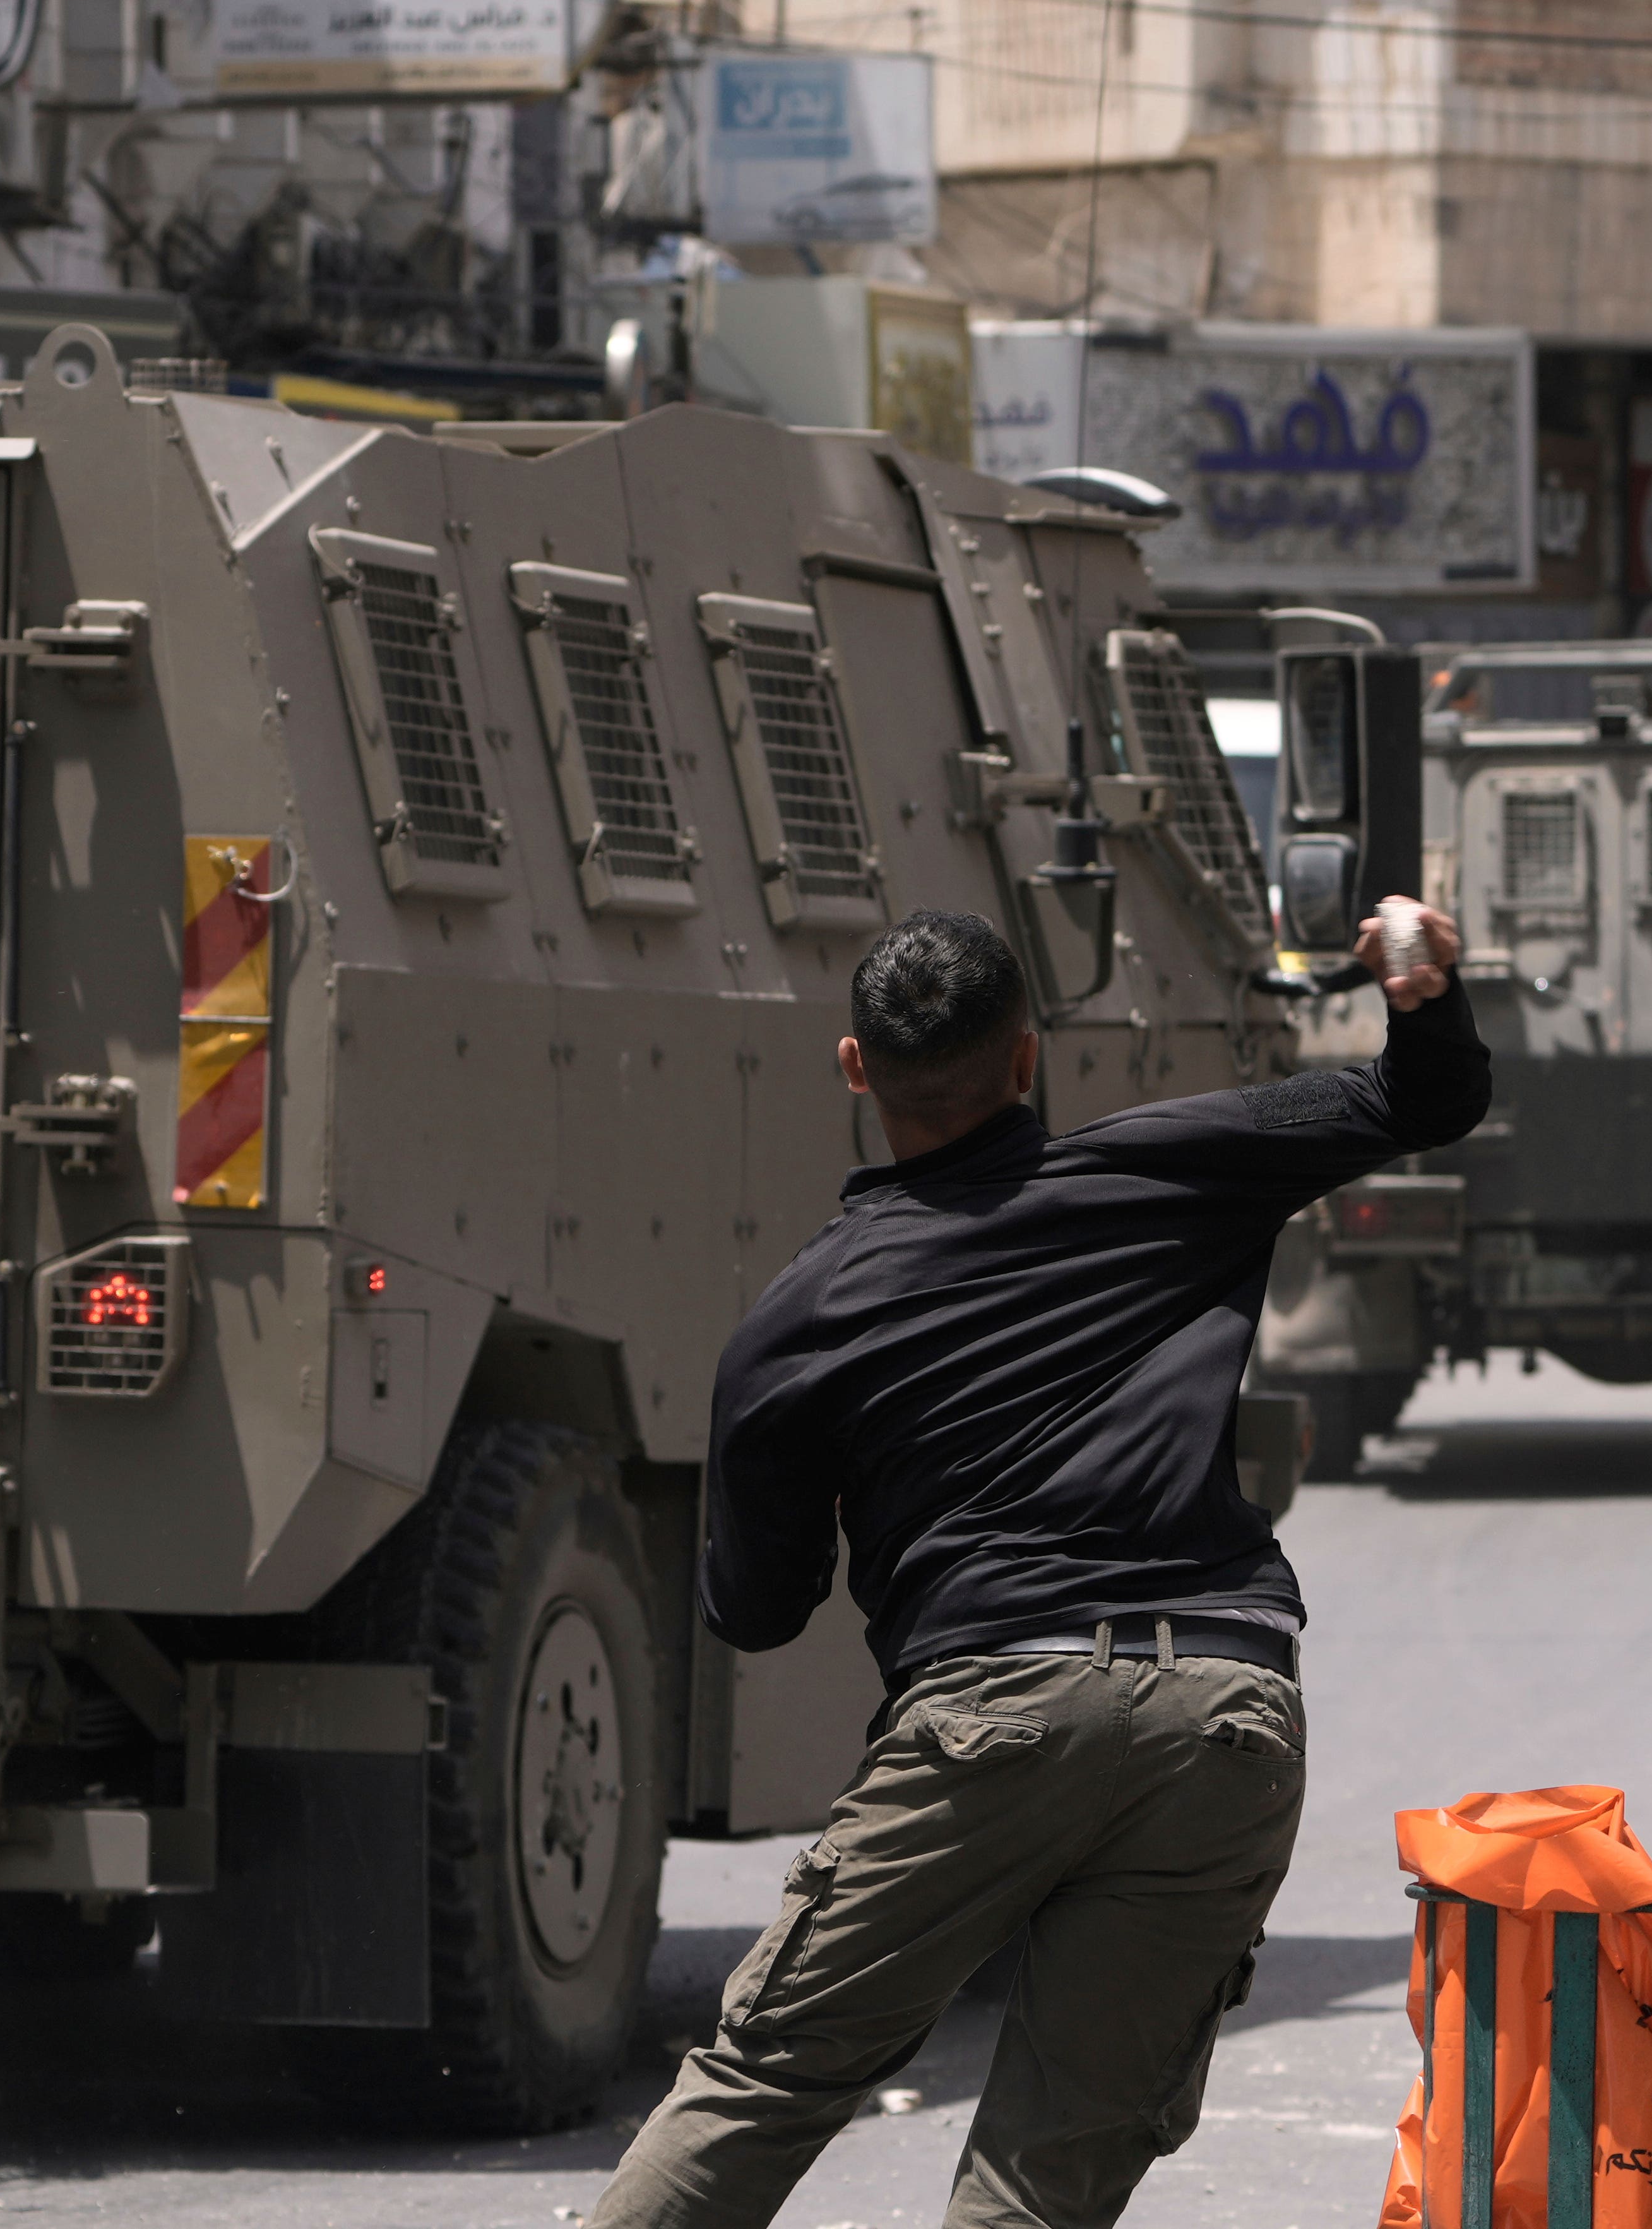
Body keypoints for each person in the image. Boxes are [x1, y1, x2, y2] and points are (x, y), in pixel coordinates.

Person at [588, 897, 1487, 2229]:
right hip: (1226, 1717)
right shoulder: (1174, 1166)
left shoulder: (798, 1319)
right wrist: (1419, 993)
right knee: (1044, 2171)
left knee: (764, 2078)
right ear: (1027, 1057)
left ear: (854, 1069)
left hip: (987, 1716)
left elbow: (757, 1610)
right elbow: (1422, 1100)